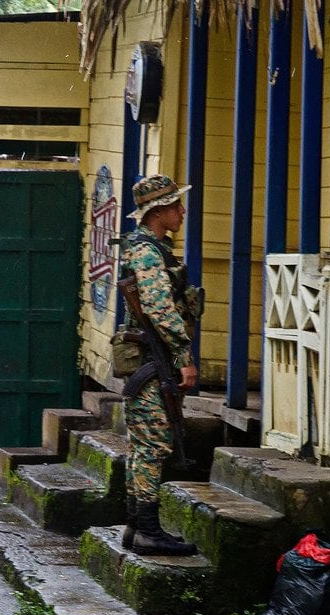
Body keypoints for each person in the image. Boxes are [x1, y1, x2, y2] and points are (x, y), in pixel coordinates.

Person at [120, 174, 201, 557]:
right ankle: (148, 531)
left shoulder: (152, 247)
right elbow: (158, 307)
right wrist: (184, 356)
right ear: (158, 211)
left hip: (152, 360)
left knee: (143, 447)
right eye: (176, 205)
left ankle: (136, 526)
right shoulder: (148, 251)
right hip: (156, 361)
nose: (182, 211)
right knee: (153, 447)